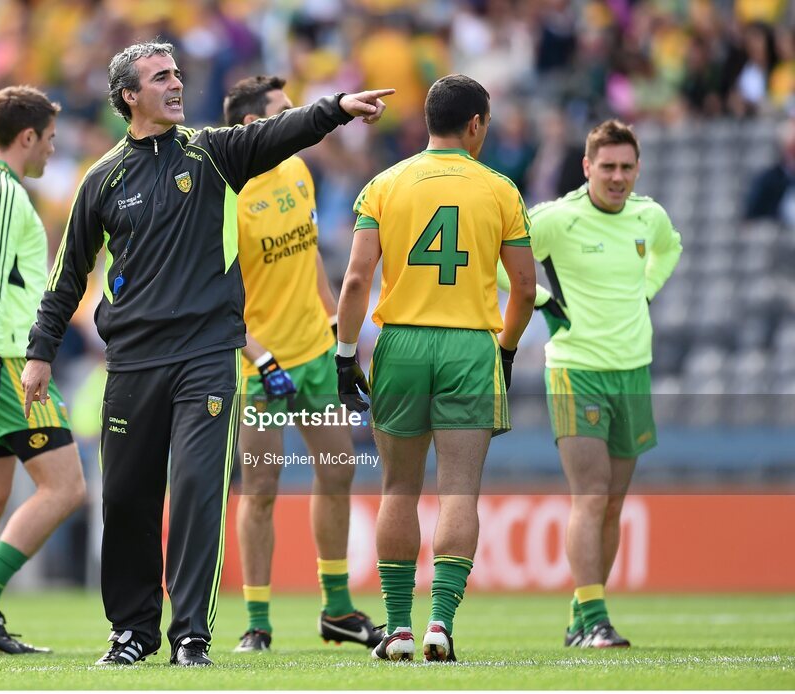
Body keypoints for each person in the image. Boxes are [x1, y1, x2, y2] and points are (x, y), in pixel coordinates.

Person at [20, 41, 392, 668]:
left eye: (176, 74)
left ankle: (192, 632)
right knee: (130, 498)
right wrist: (40, 354)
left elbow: (280, 130)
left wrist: (336, 109)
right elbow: (67, 274)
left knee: (198, 489)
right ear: (128, 97)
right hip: (134, 361)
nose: (175, 84)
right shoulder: (101, 178)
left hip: (208, 357)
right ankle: (132, 633)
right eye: (159, 77)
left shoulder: (213, 153)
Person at [334, 74, 536, 662]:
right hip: (469, 346)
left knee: (397, 489)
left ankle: (396, 628)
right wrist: (504, 347)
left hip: (400, 344)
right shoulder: (500, 189)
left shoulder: (384, 184)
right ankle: (440, 625)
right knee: (458, 493)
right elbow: (523, 286)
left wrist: (346, 356)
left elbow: (354, 279)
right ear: (475, 124)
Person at [222, 75, 382, 654]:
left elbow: (309, 257)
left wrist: (340, 333)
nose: (293, 120)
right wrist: (259, 356)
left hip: (315, 357)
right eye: (281, 112)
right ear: (249, 125)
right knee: (260, 489)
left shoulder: (298, 171)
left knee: (338, 472)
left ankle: (337, 610)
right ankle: (257, 623)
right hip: (261, 370)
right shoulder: (226, 196)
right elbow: (218, 299)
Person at [528, 120, 682, 648]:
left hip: (633, 370)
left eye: (626, 167)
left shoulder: (649, 216)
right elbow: (501, 256)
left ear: (637, 169)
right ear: (586, 167)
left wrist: (646, 292)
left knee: (614, 503)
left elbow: (671, 247)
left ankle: (582, 614)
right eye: (608, 166)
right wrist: (543, 302)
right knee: (590, 496)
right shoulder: (557, 219)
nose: (617, 177)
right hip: (576, 369)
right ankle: (594, 619)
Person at [0, 85, 87, 655]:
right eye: (49, 139)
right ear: (26, 137)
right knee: (67, 487)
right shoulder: (3, 193)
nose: (52, 150)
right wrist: (24, 357)